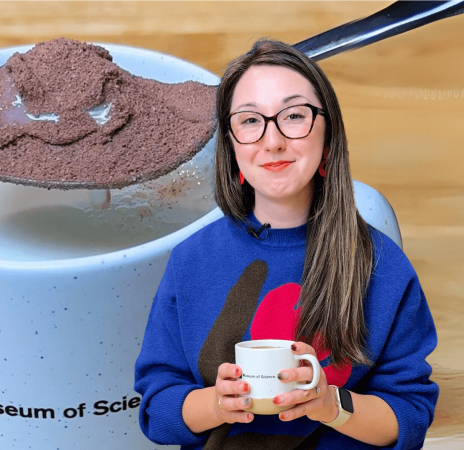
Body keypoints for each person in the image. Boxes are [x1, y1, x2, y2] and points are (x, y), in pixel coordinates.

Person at [133, 39, 438, 449]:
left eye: (294, 116)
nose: (272, 141)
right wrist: (218, 405)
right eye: (250, 121)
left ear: (328, 135)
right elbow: (157, 411)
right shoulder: (191, 260)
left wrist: (330, 403)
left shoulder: (382, 266)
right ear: (231, 145)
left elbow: (409, 417)